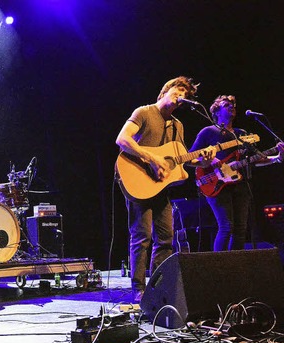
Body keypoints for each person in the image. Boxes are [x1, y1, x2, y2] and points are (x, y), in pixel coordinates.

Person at [115, 76, 215, 302]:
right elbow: (122, 139)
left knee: (166, 237)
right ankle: (138, 289)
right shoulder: (144, 112)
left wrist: (205, 160)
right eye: (178, 91)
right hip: (136, 178)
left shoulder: (177, 125)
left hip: (161, 188)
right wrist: (151, 158)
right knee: (142, 236)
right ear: (165, 90)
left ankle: (156, 286)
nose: (181, 97)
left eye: (186, 96)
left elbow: (181, 158)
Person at [189, 95, 284, 251]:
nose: (232, 106)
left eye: (233, 104)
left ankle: (235, 268)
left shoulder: (241, 134)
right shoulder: (208, 132)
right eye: (226, 104)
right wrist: (213, 162)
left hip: (240, 184)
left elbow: (254, 159)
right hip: (215, 182)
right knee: (226, 227)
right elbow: (192, 156)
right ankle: (219, 267)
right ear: (216, 111)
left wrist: (277, 158)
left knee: (240, 230)